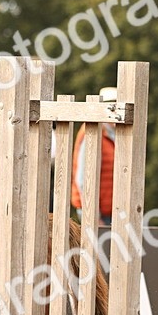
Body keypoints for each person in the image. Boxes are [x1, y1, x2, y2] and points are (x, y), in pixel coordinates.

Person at [70, 87, 117, 225]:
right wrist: (94, 216)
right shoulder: (92, 133)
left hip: (109, 211)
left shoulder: (111, 135)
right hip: (96, 212)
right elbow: (83, 179)